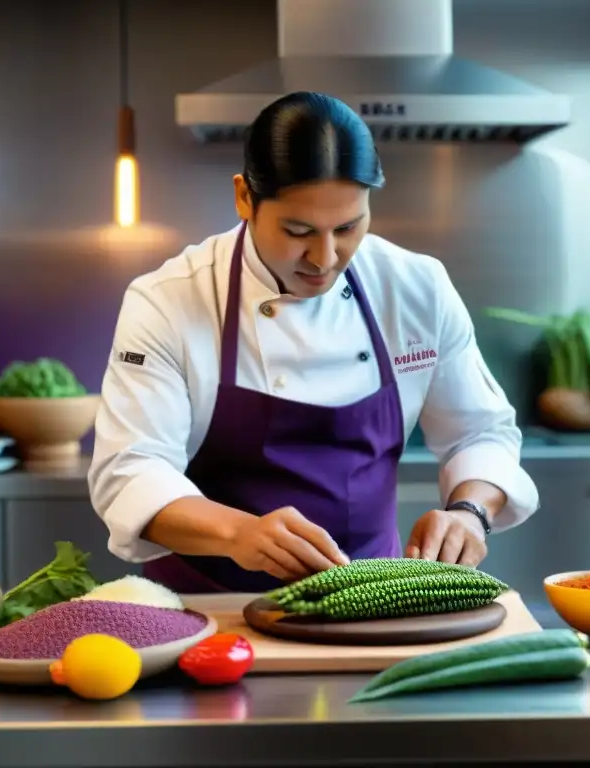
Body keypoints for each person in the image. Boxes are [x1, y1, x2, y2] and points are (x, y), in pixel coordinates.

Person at [88, 91, 539, 593]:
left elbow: (481, 432)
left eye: (348, 227)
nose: (324, 258)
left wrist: (470, 513)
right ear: (244, 198)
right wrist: (239, 532)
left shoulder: (415, 288)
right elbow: (130, 470)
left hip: (372, 603)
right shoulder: (169, 300)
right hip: (209, 609)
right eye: (297, 230)